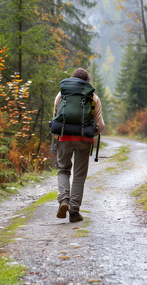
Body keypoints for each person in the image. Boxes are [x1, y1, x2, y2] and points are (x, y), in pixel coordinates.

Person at [53, 68, 105, 222]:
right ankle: (74, 212)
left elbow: (55, 117)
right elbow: (100, 125)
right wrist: (90, 133)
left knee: (63, 170)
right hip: (83, 139)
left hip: (64, 138)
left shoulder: (61, 94)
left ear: (72, 79)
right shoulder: (93, 97)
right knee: (79, 175)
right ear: (87, 81)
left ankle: (64, 201)